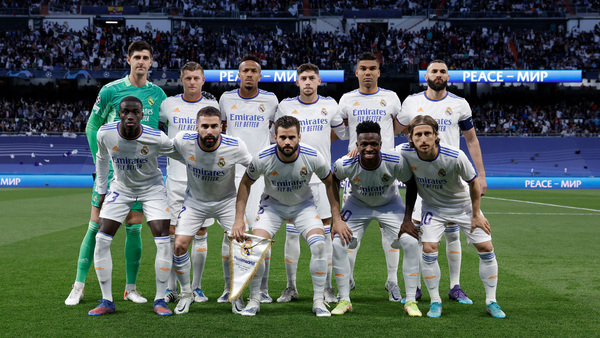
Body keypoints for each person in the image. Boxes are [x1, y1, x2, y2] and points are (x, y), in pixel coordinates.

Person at [66, 41, 167, 306]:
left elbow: (161, 134)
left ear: (151, 61)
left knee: (134, 228)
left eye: (146, 57)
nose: (141, 62)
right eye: (137, 57)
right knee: (96, 227)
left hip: (142, 176)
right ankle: (78, 286)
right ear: (128, 59)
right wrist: (102, 166)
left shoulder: (158, 95)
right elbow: (92, 127)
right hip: (113, 175)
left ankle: (130, 288)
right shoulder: (111, 90)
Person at [230, 115, 347, 317]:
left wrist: (336, 217)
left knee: (319, 244)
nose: (287, 142)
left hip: (303, 206)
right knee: (256, 246)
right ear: (275, 137)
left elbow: (330, 182)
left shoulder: (312, 156)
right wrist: (239, 218)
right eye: (282, 137)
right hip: (272, 207)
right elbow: (245, 183)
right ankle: (254, 299)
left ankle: (318, 300)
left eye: (291, 137)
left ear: (299, 137)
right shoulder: (262, 157)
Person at [397, 59, 487, 304]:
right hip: (421, 177)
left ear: (448, 76)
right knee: (417, 233)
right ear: (425, 75)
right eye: (434, 71)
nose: (438, 75)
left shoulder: (459, 104)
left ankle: (455, 286)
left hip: (452, 177)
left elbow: (471, 140)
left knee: (453, 233)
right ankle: (415, 285)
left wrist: (481, 174)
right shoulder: (412, 102)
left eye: (443, 71)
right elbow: (398, 131)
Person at [397, 115, 505, 319]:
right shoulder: (405, 152)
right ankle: (435, 301)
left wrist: (476, 214)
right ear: (410, 138)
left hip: (462, 205)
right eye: (418, 135)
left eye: (428, 134)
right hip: (433, 208)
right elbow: (379, 152)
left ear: (436, 136)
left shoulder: (455, 156)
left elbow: (473, 183)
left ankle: (492, 301)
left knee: (486, 247)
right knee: (428, 248)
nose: (423, 139)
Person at [88, 96, 182, 316]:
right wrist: (101, 190)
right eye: (125, 112)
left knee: (163, 241)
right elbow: (101, 159)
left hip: (152, 189)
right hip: (120, 188)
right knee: (101, 240)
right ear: (119, 114)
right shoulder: (105, 133)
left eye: (135, 112)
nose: (130, 116)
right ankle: (107, 301)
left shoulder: (156, 137)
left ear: (142, 115)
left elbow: (181, 156)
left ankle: (160, 300)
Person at [274, 63, 348, 304]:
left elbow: (339, 132)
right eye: (303, 78)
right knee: (292, 234)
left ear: (319, 81)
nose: (307, 82)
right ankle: (290, 287)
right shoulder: (286, 106)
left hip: (322, 179)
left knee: (326, 235)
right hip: (293, 180)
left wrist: (320, 148)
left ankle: (327, 288)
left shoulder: (330, 105)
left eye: (311, 78)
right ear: (297, 82)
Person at [331, 120, 422, 316]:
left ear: (381, 144)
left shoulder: (395, 160)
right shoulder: (345, 163)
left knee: (410, 241)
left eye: (374, 144)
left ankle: (411, 300)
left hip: (389, 204)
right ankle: (344, 298)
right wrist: (336, 218)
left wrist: (407, 219)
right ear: (357, 145)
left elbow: (411, 183)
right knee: (338, 242)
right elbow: (333, 181)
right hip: (357, 205)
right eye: (364, 144)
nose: (369, 148)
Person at [170, 106, 252, 315]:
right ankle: (186, 293)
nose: (209, 131)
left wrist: (241, 215)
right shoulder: (183, 140)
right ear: (196, 127)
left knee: (244, 243)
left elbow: (254, 168)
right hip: (195, 202)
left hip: (227, 201)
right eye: (204, 126)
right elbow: (161, 149)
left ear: (221, 127)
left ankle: (237, 293)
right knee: (179, 245)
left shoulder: (235, 145)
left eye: (214, 126)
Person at [338, 52, 404, 301]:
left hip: (385, 172)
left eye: (372, 68)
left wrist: (383, 149)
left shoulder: (391, 98)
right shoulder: (346, 99)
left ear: (379, 72)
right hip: (356, 175)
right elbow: (342, 132)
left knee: (394, 236)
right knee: (349, 236)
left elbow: (399, 127)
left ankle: (392, 281)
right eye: (363, 68)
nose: (367, 72)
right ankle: (349, 278)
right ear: (356, 72)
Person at [219, 55, 278, 303]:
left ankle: (262, 288)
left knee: (261, 233)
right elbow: (220, 132)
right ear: (238, 75)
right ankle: (228, 287)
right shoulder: (226, 99)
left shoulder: (271, 100)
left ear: (260, 76)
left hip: (262, 176)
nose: (250, 74)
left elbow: (276, 135)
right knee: (229, 232)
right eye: (246, 71)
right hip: (233, 177)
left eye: (254, 71)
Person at [159, 61, 219, 304]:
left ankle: (197, 287)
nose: (192, 82)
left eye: (196, 78)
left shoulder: (212, 106)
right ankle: (171, 288)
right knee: (174, 233)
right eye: (188, 78)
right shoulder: (168, 105)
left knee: (201, 231)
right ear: (181, 80)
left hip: (203, 180)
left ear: (203, 80)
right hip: (175, 179)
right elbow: (157, 127)